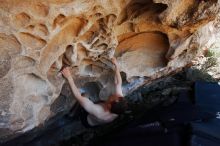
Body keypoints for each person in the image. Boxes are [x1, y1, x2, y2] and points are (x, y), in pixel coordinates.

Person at [61, 57, 127, 127]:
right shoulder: (118, 102)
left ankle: (72, 114)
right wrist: (116, 65)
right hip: (99, 111)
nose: (115, 94)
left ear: (109, 105)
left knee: (84, 95)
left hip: (87, 120)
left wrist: (68, 77)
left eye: (112, 97)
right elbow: (118, 82)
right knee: (90, 100)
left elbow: (79, 97)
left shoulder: (98, 111)